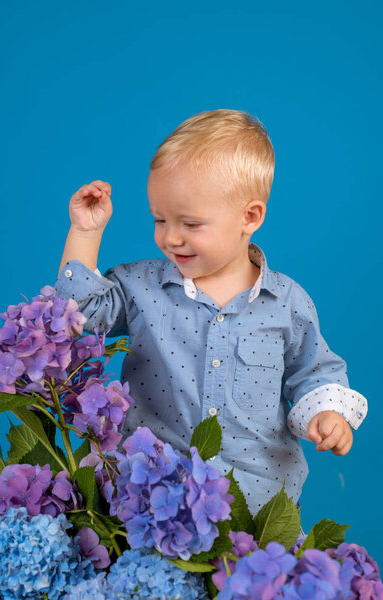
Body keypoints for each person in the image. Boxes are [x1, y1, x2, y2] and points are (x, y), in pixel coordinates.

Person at [53, 108, 367, 517]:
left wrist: (327, 412)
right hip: (152, 500)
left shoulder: (288, 303)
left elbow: (315, 371)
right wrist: (85, 233)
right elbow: (78, 317)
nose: (170, 237)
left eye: (191, 223)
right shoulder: (140, 287)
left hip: (256, 505)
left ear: (249, 217)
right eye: (159, 219)